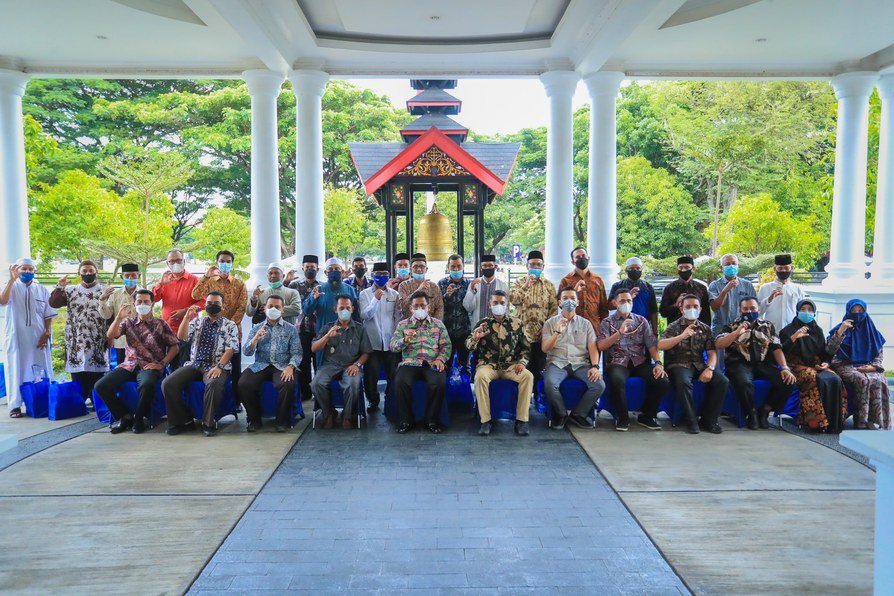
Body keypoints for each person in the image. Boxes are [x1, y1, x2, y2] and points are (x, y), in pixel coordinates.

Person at [95, 289, 179, 434]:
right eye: (139, 301)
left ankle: (139, 419)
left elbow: (175, 347)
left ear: (152, 303)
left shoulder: (161, 324)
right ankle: (125, 416)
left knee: (146, 385)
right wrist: (118, 318)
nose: (142, 304)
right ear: (134, 304)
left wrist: (162, 363)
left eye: (146, 301)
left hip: (150, 366)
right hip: (130, 364)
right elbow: (111, 335)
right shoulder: (128, 322)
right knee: (101, 386)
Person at [162, 291, 240, 437]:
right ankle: (183, 420)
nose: (212, 306)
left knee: (213, 384)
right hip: (195, 363)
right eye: (209, 303)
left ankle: (208, 423)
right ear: (205, 305)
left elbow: (231, 349)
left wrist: (219, 367)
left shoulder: (230, 325)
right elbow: (182, 337)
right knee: (168, 383)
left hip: (216, 365)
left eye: (216, 303)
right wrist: (186, 317)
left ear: (223, 306)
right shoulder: (197, 322)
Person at [715, 296, 797, 430]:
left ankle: (764, 411)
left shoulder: (768, 326)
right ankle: (751, 413)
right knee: (744, 382)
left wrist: (785, 367)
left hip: (762, 364)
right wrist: (736, 333)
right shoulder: (730, 326)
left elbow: (776, 348)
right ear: (740, 311)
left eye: (752, 308)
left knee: (789, 381)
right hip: (738, 364)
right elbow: (719, 344)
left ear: (758, 309)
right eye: (745, 309)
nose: (749, 311)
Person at [597, 289, 669, 431]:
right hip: (617, 362)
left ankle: (647, 416)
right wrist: (619, 332)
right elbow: (601, 345)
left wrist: (658, 363)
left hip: (639, 361)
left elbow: (651, 344)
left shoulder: (641, 320)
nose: (626, 303)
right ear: (615, 303)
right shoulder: (607, 322)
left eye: (629, 301)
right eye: (622, 301)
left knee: (662, 381)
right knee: (617, 380)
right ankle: (623, 418)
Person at [658, 294, 728, 434]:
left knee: (722, 381)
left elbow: (711, 353)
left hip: (699, 365)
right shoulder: (674, 326)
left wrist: (710, 368)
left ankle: (709, 420)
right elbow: (660, 345)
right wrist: (681, 336)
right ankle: (691, 420)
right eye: (688, 306)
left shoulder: (705, 328)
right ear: (682, 309)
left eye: (695, 306)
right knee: (684, 382)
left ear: (700, 309)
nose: (692, 309)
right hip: (678, 364)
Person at [466, 290, 533, 437]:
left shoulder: (517, 323)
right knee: (480, 377)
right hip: (488, 365)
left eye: (502, 303)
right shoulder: (483, 324)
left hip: (511, 366)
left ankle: (522, 420)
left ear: (507, 304)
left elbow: (526, 348)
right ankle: (485, 420)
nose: (498, 305)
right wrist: (476, 338)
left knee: (527, 376)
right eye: (495, 303)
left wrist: (522, 362)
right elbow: (469, 346)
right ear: (490, 305)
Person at [541, 288, 605, 430]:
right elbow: (545, 348)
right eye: (565, 298)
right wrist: (557, 331)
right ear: (559, 302)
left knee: (599, 385)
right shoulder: (550, 323)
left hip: (580, 363)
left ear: (577, 302)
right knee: (550, 383)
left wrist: (595, 366)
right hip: (557, 362)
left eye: (572, 298)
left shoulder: (586, 324)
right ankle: (561, 413)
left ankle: (578, 414)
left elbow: (592, 347)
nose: (568, 301)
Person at [780, 299, 847, 433]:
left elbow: (824, 353)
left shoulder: (817, 330)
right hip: (795, 366)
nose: (806, 312)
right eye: (803, 309)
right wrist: (794, 338)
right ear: (797, 311)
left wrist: (825, 363)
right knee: (811, 377)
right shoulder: (788, 331)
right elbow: (781, 351)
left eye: (810, 310)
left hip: (815, 365)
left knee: (835, 379)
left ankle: (835, 422)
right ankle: (816, 423)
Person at [1, 259, 56, 418]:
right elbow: (3, 301)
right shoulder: (11, 286)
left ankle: (40, 401)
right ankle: (15, 405)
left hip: (38, 338)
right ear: (16, 270)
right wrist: (11, 279)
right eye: (23, 269)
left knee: (40, 368)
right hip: (16, 337)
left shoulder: (41, 289)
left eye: (30, 269)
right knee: (15, 368)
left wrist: (47, 333)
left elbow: (48, 314)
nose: (27, 272)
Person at [49, 260, 110, 405]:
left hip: (98, 336)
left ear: (96, 271)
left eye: (91, 270)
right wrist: (60, 287)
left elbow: (111, 314)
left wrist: (111, 334)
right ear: (79, 273)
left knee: (97, 369)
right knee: (78, 368)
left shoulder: (105, 290)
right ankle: (80, 399)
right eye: (84, 271)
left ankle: (97, 401)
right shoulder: (70, 290)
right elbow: (54, 303)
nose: (88, 273)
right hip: (76, 337)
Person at [389, 290, 450, 434]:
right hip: (410, 363)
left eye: (423, 305)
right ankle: (406, 420)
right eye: (416, 306)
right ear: (411, 308)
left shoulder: (438, 324)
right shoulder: (403, 325)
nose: (420, 309)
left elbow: (446, 346)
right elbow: (392, 346)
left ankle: (432, 420)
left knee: (439, 382)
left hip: (431, 363)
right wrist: (405, 340)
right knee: (400, 382)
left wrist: (440, 359)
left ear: (428, 307)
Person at [239, 295, 302, 432]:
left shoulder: (290, 329)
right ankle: (254, 420)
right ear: (265, 308)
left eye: (277, 307)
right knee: (243, 383)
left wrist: (291, 367)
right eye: (270, 306)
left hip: (282, 365)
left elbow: (297, 353)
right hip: (260, 365)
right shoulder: (257, 328)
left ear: (283, 310)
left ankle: (281, 421)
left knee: (287, 383)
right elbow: (246, 352)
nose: (273, 309)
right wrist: (255, 340)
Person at [310, 295, 372, 429]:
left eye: (347, 308)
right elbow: (314, 348)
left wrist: (357, 365)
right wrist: (327, 336)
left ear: (352, 309)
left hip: (351, 365)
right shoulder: (328, 327)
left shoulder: (360, 328)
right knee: (316, 383)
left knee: (352, 384)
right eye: (341, 308)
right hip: (330, 365)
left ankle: (347, 416)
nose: (345, 310)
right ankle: (329, 414)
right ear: (335, 309)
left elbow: (366, 352)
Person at [829, 299, 890, 430]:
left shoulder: (872, 331)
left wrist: (873, 367)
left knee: (880, 380)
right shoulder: (840, 329)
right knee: (862, 380)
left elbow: (878, 353)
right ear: (848, 311)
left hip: (868, 366)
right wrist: (841, 331)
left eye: (861, 311)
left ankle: (875, 419)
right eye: (854, 311)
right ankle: (861, 420)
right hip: (845, 365)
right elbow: (830, 351)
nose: (857, 314)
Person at [509, 250, 558, 390]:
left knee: (540, 366)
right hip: (523, 333)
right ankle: (524, 397)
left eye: (538, 265)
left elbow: (553, 310)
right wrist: (526, 286)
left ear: (543, 267)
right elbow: (513, 300)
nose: (535, 267)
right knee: (523, 366)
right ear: (527, 266)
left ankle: (538, 396)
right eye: (532, 264)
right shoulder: (519, 283)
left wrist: (547, 329)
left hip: (542, 334)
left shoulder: (548, 285)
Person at [359, 262, 401, 412]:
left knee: (393, 374)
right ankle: (373, 400)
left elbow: (397, 317)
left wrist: (397, 336)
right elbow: (365, 315)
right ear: (372, 275)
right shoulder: (365, 294)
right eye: (378, 274)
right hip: (372, 341)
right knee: (371, 375)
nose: (381, 277)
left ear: (389, 276)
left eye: (384, 274)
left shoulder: (394, 294)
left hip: (390, 341)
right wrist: (375, 299)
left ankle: (391, 400)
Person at [152, 249, 204, 368]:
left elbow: (203, 302)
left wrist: (185, 311)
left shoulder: (195, 280)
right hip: (167, 330)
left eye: (178, 260)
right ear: (167, 264)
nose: (175, 263)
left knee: (185, 365)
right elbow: (153, 299)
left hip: (188, 330)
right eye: (172, 261)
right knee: (169, 365)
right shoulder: (164, 280)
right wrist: (161, 284)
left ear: (184, 261)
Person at [286, 254, 320, 403]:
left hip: (318, 330)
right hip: (300, 330)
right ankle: (305, 393)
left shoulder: (322, 286)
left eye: (312, 267)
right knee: (303, 363)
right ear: (302, 268)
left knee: (319, 362)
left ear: (317, 269)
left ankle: (318, 392)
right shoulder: (294, 285)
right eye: (307, 267)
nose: (310, 270)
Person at [98, 262, 142, 365]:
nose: (130, 278)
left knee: (139, 368)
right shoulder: (115, 295)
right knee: (121, 369)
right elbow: (106, 315)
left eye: (133, 275)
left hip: (141, 339)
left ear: (138, 276)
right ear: (122, 277)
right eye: (127, 275)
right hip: (121, 340)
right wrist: (102, 300)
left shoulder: (144, 294)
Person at [558, 246, 609, 332]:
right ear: (573, 262)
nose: (581, 258)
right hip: (572, 326)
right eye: (577, 257)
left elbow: (603, 306)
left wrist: (603, 326)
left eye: (583, 256)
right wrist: (574, 292)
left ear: (588, 258)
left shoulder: (597, 280)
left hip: (594, 326)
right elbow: (560, 304)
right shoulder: (566, 280)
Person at [302, 257, 359, 331]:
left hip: (346, 335)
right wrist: (313, 299)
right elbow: (307, 311)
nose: (334, 271)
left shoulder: (350, 290)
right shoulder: (318, 289)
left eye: (337, 269)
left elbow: (356, 314)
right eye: (330, 269)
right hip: (324, 334)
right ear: (326, 272)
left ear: (341, 272)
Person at [708, 254, 757, 337]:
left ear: (738, 266)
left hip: (743, 330)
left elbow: (755, 308)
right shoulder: (715, 285)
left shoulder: (747, 285)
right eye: (727, 264)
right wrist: (725, 291)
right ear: (721, 268)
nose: (731, 266)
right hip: (720, 331)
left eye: (734, 263)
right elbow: (715, 307)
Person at [438, 254, 471, 373]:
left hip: (465, 330)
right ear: (448, 267)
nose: (456, 269)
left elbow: (471, 306)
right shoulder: (442, 283)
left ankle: (465, 390)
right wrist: (447, 295)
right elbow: (438, 306)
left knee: (465, 366)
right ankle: (446, 390)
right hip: (446, 332)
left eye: (458, 266)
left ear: (463, 266)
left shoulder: (469, 284)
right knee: (445, 364)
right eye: (453, 267)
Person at [757, 254, 806, 333]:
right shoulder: (765, 287)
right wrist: (769, 299)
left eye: (786, 268)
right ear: (774, 269)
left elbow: (802, 311)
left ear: (792, 268)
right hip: (770, 331)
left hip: (792, 331)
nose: (783, 271)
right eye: (780, 268)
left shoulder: (798, 289)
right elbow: (758, 312)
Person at [608, 257, 658, 332]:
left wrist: (655, 332)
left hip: (644, 327)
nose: (635, 270)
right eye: (631, 268)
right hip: (622, 327)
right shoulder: (618, 286)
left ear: (642, 270)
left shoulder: (648, 287)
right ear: (626, 270)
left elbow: (654, 310)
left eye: (638, 268)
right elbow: (609, 306)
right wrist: (628, 297)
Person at [659, 256, 711, 326]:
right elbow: (663, 312)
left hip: (697, 329)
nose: (683, 270)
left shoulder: (701, 288)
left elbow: (706, 314)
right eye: (680, 268)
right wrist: (676, 305)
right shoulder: (669, 288)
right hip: (675, 330)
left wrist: (706, 330)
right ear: (677, 269)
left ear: (693, 269)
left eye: (687, 267)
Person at [397, 253, 444, 320]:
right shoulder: (404, 285)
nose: (419, 269)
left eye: (422, 267)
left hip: (430, 326)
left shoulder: (434, 287)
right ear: (410, 269)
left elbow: (439, 308)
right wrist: (418, 289)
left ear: (426, 269)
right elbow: (403, 307)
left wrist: (435, 325)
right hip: (409, 325)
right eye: (415, 267)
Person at [463, 254, 508, 324]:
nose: (487, 268)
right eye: (484, 265)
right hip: (478, 326)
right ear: (481, 267)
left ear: (495, 267)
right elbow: (468, 307)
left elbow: (506, 308)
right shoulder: (475, 284)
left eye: (490, 265)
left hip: (497, 326)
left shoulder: (503, 285)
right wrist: (472, 291)